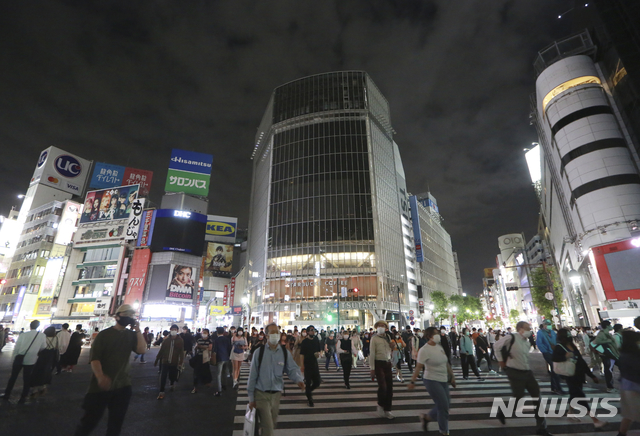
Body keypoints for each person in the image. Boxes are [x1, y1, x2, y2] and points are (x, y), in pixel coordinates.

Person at [74, 304, 146, 436]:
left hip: (123, 385)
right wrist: (100, 376)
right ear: (117, 316)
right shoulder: (104, 335)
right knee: (89, 422)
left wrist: (138, 330)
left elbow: (142, 350)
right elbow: (95, 359)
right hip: (100, 387)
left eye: (131, 316)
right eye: (126, 315)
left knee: (116, 424)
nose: (129, 318)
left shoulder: (131, 334)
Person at [495, 321, 553, 436]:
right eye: (527, 328)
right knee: (518, 399)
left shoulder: (526, 342)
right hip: (514, 372)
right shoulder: (511, 337)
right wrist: (501, 362)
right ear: (520, 329)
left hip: (527, 372)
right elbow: (496, 346)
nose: (530, 330)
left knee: (537, 397)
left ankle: (542, 428)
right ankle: (502, 412)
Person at [247, 323, 305, 436]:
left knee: (270, 425)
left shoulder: (284, 353)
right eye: (272, 333)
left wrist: (299, 380)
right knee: (268, 428)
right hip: (261, 394)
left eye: (277, 332)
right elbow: (252, 375)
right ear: (267, 336)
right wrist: (251, 399)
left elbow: (291, 369)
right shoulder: (259, 353)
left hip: (276, 394)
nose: (275, 335)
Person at [552, 328, 607, 430]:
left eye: (569, 334)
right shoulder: (559, 347)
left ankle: (570, 412)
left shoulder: (572, 346)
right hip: (570, 376)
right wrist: (566, 357)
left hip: (579, 375)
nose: (569, 336)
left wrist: (591, 375)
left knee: (574, 395)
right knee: (580, 396)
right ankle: (595, 420)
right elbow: (554, 359)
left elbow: (581, 362)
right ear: (562, 337)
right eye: (567, 334)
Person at [408, 327, 456, 435]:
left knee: (445, 405)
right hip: (431, 380)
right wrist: (412, 381)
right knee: (443, 406)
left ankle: (427, 418)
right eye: (436, 333)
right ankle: (444, 431)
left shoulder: (439, 347)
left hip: (443, 379)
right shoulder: (424, 350)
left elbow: (446, 362)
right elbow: (418, 367)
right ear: (429, 336)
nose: (438, 335)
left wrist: (452, 376)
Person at [2, 320, 46, 403]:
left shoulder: (23, 335)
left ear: (30, 326)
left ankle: (7, 394)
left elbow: (17, 347)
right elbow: (43, 347)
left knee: (13, 377)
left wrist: (14, 358)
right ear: (38, 326)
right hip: (31, 359)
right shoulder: (42, 336)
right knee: (27, 379)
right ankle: (23, 397)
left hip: (19, 358)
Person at [369, 320, 394, 419]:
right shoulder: (374, 338)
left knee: (390, 388)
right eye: (379, 325)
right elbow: (372, 354)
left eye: (383, 325)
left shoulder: (388, 337)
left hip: (387, 363)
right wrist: (372, 368)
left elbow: (391, 349)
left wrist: (393, 346)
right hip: (378, 363)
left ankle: (387, 410)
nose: (381, 327)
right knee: (383, 386)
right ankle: (380, 405)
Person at [617, 330, 640, 436]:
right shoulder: (631, 355)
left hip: (627, 386)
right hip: (633, 387)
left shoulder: (625, 353)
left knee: (629, 414)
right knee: (631, 413)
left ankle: (621, 434)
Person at [154, 324, 184, 400]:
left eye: (175, 329)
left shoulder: (180, 340)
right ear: (170, 330)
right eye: (172, 329)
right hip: (165, 361)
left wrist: (181, 362)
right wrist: (157, 359)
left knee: (172, 375)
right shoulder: (166, 340)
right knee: (163, 376)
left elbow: (181, 352)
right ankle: (161, 391)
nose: (173, 331)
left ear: (177, 331)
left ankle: (172, 383)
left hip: (174, 361)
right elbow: (161, 350)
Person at [29, 325, 59, 398]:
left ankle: (35, 390)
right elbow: (57, 348)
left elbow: (39, 347)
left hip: (41, 356)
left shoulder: (43, 337)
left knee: (36, 372)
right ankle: (43, 387)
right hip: (50, 357)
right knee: (46, 371)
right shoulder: (56, 338)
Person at [536, 320, 564, 395]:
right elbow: (539, 343)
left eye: (549, 324)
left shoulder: (552, 332)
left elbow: (557, 341)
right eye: (547, 324)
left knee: (554, 370)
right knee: (555, 368)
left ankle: (554, 388)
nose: (548, 325)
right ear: (544, 325)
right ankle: (557, 388)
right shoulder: (540, 333)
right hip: (547, 353)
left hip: (554, 352)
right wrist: (545, 351)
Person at [593, 320, 620, 392]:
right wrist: (608, 341)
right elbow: (596, 342)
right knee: (609, 370)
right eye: (610, 325)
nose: (611, 327)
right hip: (607, 354)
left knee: (617, 367)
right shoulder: (602, 333)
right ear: (607, 326)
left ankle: (613, 385)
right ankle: (610, 387)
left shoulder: (606, 333)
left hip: (611, 354)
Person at [299, 325, 321, 407]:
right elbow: (301, 354)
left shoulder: (316, 340)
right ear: (307, 332)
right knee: (308, 382)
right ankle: (310, 399)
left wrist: (319, 354)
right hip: (307, 364)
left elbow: (319, 351)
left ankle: (308, 391)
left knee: (317, 382)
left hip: (314, 363)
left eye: (314, 330)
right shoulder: (304, 342)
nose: (313, 331)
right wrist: (302, 365)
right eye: (311, 330)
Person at [191, 328, 212, 394]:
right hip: (199, 356)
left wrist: (201, 346)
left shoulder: (210, 340)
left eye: (205, 333)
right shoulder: (199, 340)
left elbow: (210, 348)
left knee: (206, 370)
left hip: (206, 357)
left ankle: (206, 382)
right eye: (203, 332)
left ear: (208, 334)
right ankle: (195, 386)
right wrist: (197, 347)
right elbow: (196, 347)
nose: (204, 334)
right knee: (196, 371)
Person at [213, 326, 232, 396]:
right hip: (226, 357)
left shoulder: (216, 340)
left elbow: (214, 350)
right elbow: (229, 348)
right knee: (225, 372)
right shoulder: (227, 339)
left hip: (219, 358)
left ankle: (219, 390)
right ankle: (224, 385)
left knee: (218, 374)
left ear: (217, 332)